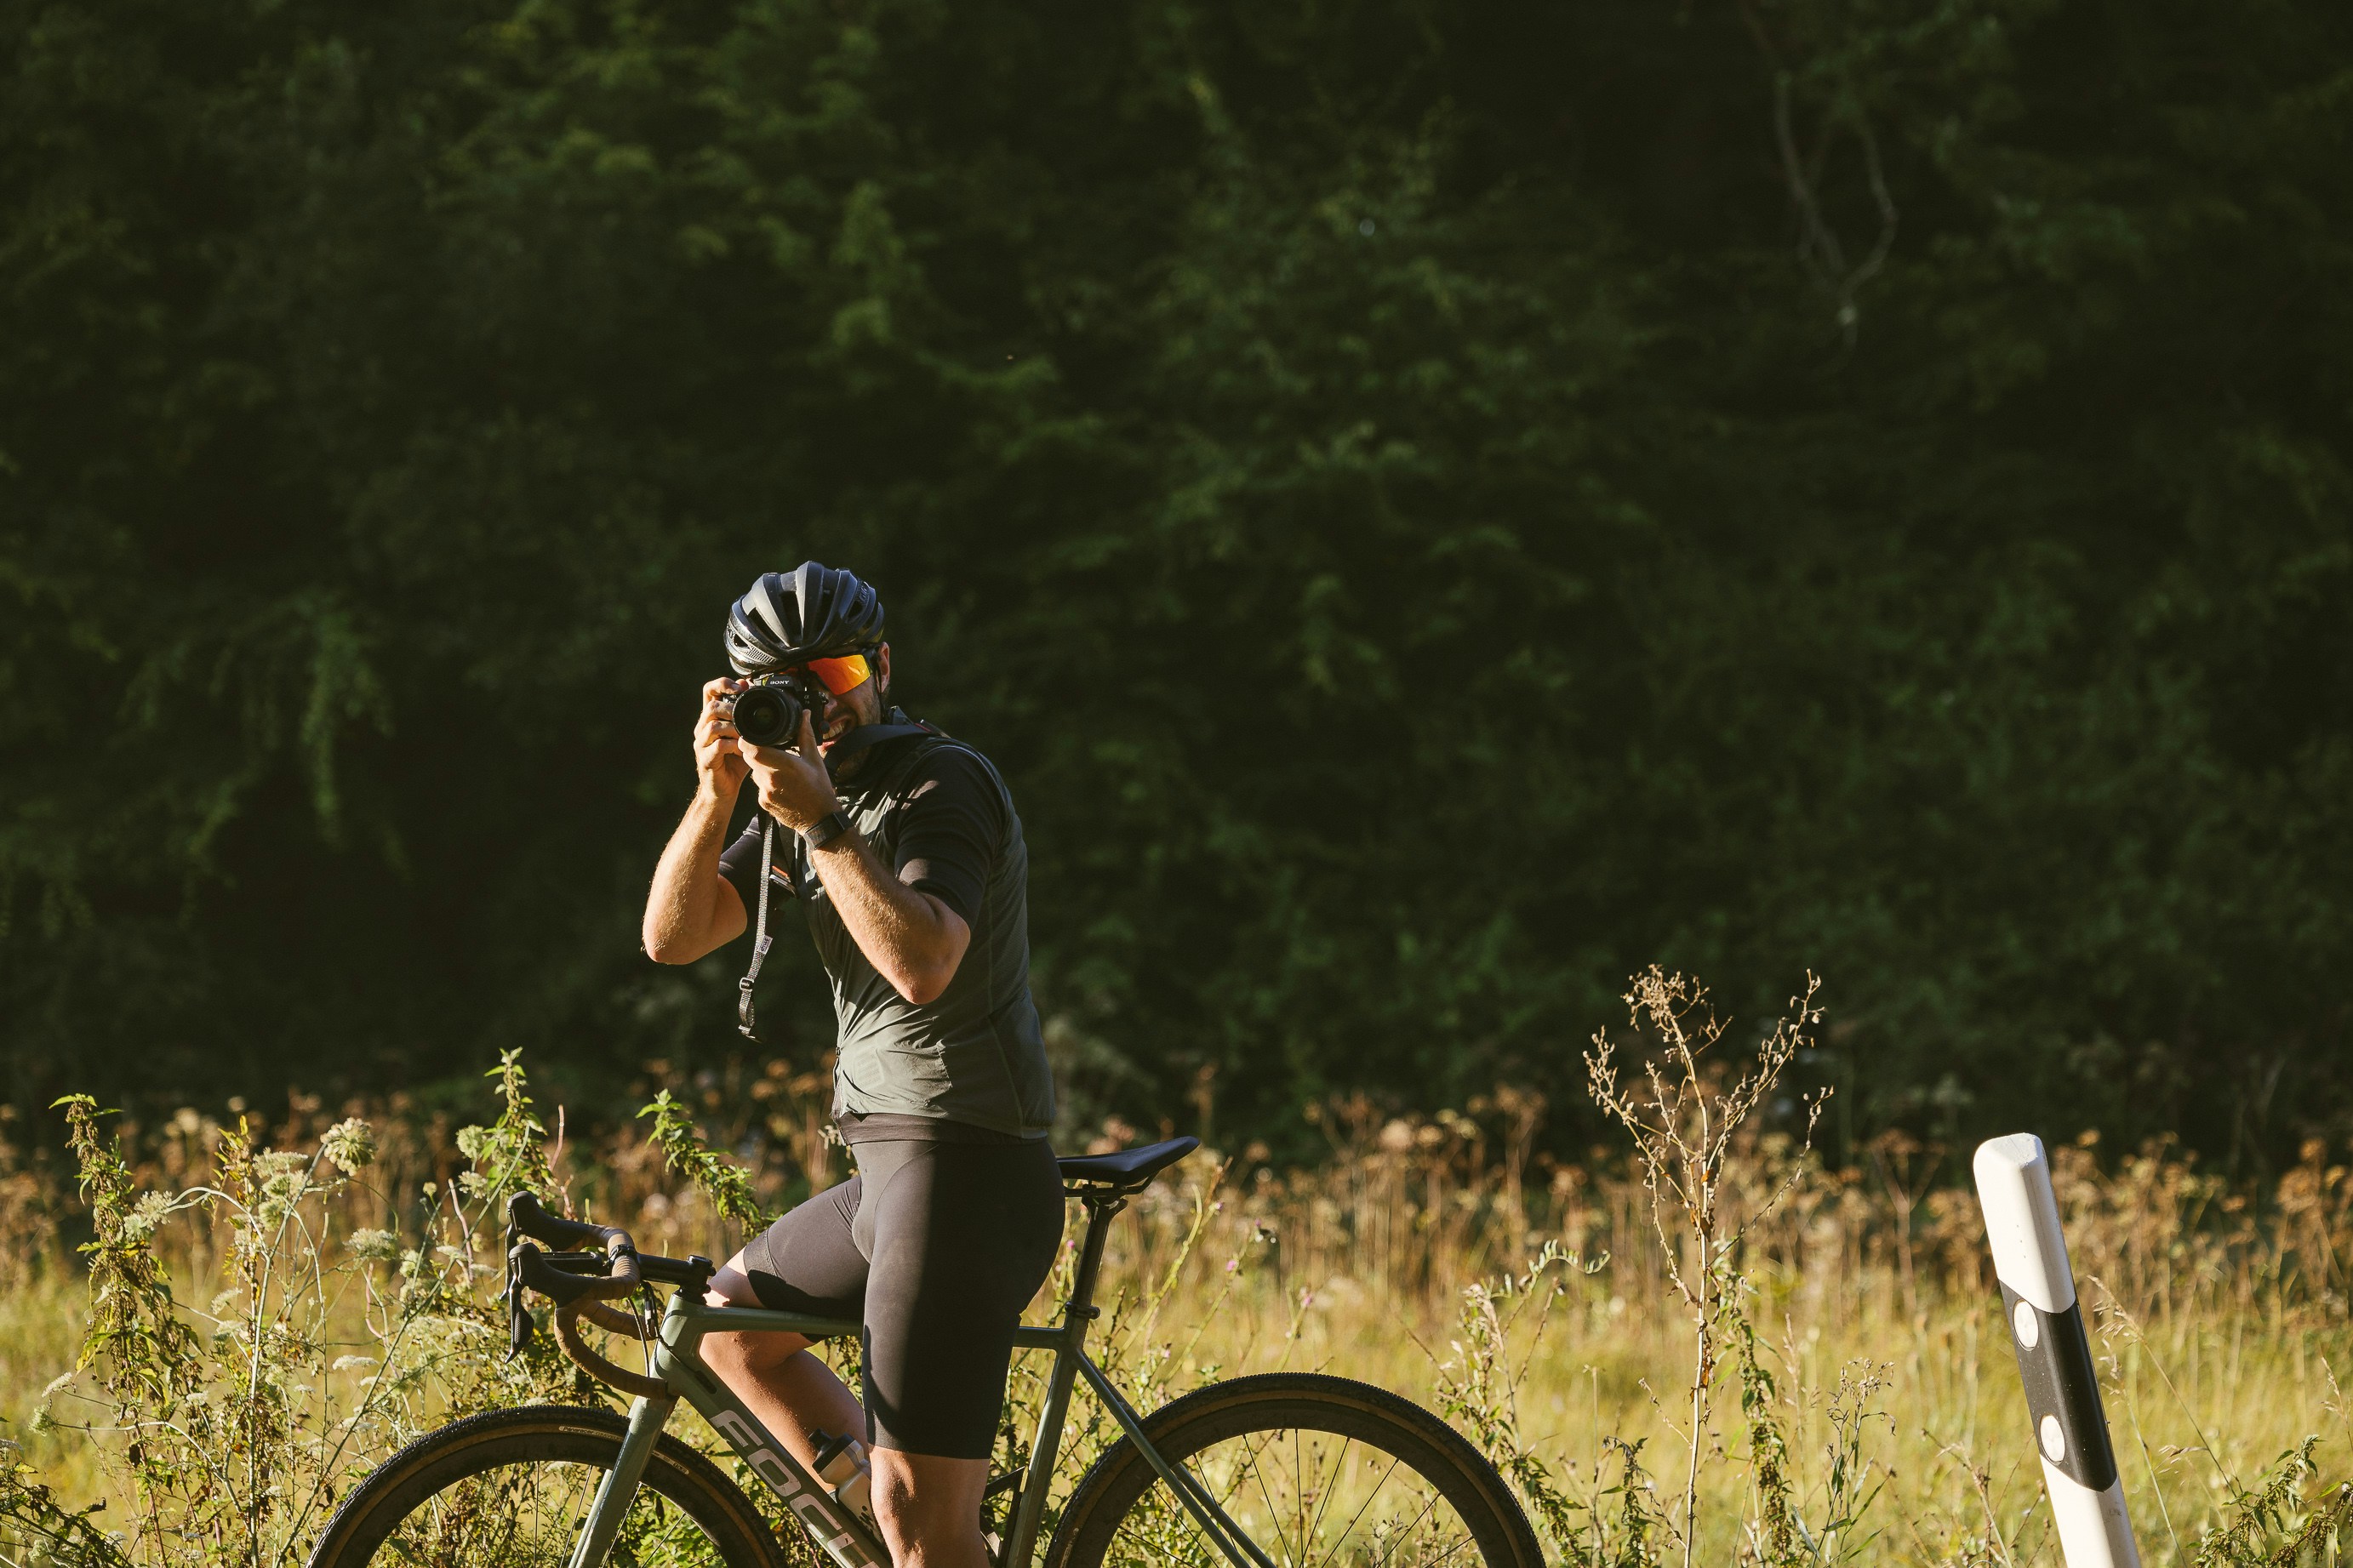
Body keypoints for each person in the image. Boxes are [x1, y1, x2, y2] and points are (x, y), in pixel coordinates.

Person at [641, 562, 1060, 1568]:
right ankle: (883, 1523)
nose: (819, 702)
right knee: (725, 1329)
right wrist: (716, 796)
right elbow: (672, 936)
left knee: (928, 1538)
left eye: (832, 671)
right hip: (891, 1175)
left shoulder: (936, 779)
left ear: (880, 664)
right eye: (779, 686)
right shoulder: (794, 805)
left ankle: (920, 1538)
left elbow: (924, 962)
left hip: (965, 1170)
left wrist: (822, 822)